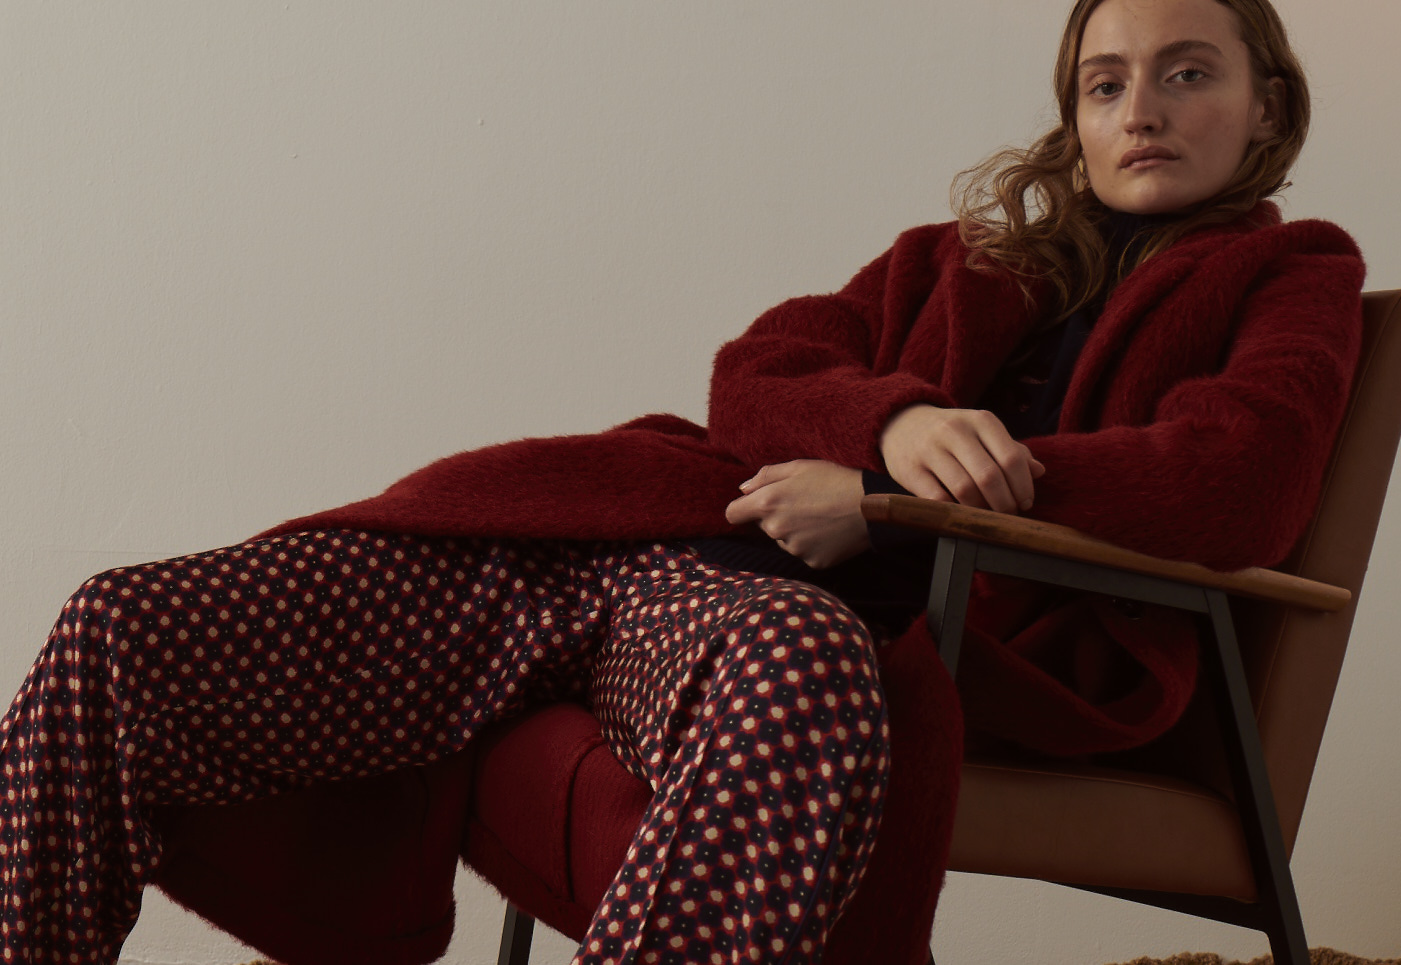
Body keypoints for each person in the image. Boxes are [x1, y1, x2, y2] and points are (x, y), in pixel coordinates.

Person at [0, 0, 1365, 962]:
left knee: (803, 675)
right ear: (1072, 120)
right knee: (127, 627)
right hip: (603, 551)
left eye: (1187, 73)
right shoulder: (957, 262)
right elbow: (755, 372)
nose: (1141, 109)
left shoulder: (1292, 274)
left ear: (1267, 107)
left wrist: (887, 509)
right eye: (1104, 84)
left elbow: (1233, 479)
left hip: (783, 628)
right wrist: (890, 424)